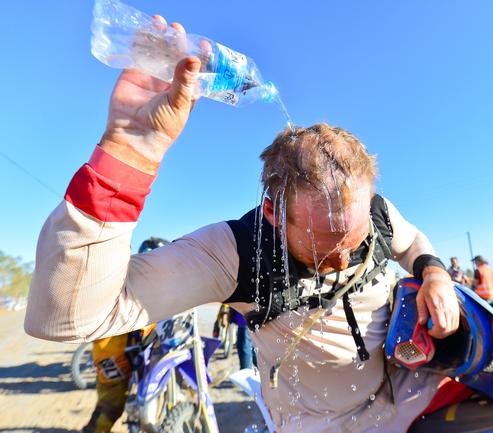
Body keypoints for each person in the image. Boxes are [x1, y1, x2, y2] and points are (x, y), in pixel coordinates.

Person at [25, 16, 460, 433]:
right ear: (272, 214)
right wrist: (126, 159)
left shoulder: (376, 211)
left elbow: (412, 242)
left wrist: (434, 273)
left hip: (415, 392)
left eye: (356, 237)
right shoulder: (238, 253)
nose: (345, 258)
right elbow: (68, 318)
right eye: (324, 243)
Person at [80, 237, 167, 433]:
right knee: (110, 406)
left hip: (115, 350)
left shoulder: (131, 275)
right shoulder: (131, 279)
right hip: (114, 352)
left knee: (110, 402)